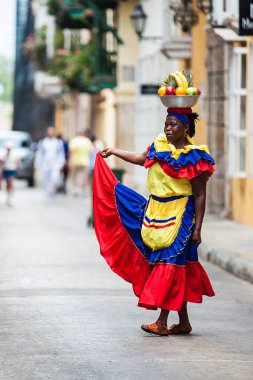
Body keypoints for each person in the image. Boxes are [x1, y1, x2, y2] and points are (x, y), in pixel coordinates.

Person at [93, 106, 215, 336]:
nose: (168, 129)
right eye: (166, 124)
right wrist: (115, 151)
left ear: (185, 128)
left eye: (173, 125)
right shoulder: (159, 146)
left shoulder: (196, 156)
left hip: (182, 213)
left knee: (167, 264)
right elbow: (141, 158)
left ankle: (161, 322)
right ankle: (184, 322)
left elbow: (199, 195)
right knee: (175, 266)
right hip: (155, 210)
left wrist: (198, 228)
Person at [35, 127, 65, 199]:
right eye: (49, 132)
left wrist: (61, 163)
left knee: (54, 178)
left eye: (52, 132)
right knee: (46, 179)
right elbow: (39, 154)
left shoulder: (58, 142)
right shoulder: (43, 142)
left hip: (55, 164)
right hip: (45, 164)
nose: (50, 134)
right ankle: (47, 194)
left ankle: (52, 191)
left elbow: (61, 154)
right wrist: (37, 164)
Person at [69, 130, 92, 196]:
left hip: (75, 161)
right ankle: (82, 189)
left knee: (74, 175)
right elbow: (90, 151)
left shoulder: (74, 140)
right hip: (85, 161)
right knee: (84, 176)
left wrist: (69, 161)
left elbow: (71, 151)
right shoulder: (87, 141)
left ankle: (75, 189)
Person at [1, 141, 20, 206]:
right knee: (7, 184)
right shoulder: (4, 154)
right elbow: (1, 161)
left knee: (11, 183)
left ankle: (12, 197)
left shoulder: (15, 154)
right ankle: (8, 196)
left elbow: (18, 162)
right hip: (6, 170)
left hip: (12, 170)